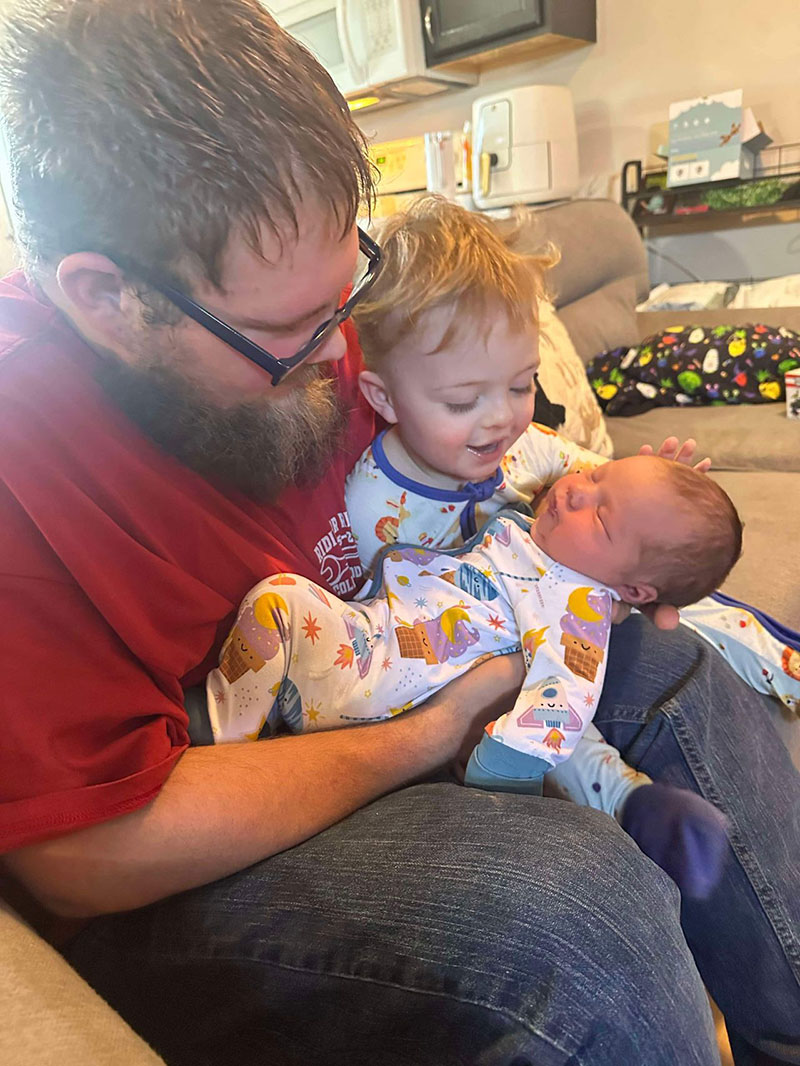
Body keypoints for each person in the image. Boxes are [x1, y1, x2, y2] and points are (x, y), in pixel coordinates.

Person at [0, 3, 796, 1066]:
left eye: (351, 288)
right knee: (575, 909)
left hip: (423, 653)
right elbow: (90, 854)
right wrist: (433, 732)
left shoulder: (323, 316)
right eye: (294, 333)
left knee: (669, 659)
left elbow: (488, 432)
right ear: (108, 300)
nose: (342, 349)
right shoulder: (26, 451)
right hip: (218, 823)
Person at [346, 195, 800, 715]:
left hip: (576, 612)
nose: (501, 419)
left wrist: (659, 500)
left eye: (521, 386)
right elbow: (379, 640)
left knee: (703, 624)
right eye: (462, 401)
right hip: (486, 674)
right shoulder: (368, 509)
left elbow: (605, 491)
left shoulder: (528, 443)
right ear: (384, 398)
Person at [209, 454, 738, 898]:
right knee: (288, 611)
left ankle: (225, 743)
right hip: (375, 635)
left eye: (602, 518)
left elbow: (565, 699)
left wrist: (503, 769)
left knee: (279, 600)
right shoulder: (544, 541)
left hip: (380, 676)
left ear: (638, 590)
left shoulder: (577, 605)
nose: (577, 492)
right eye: (597, 476)